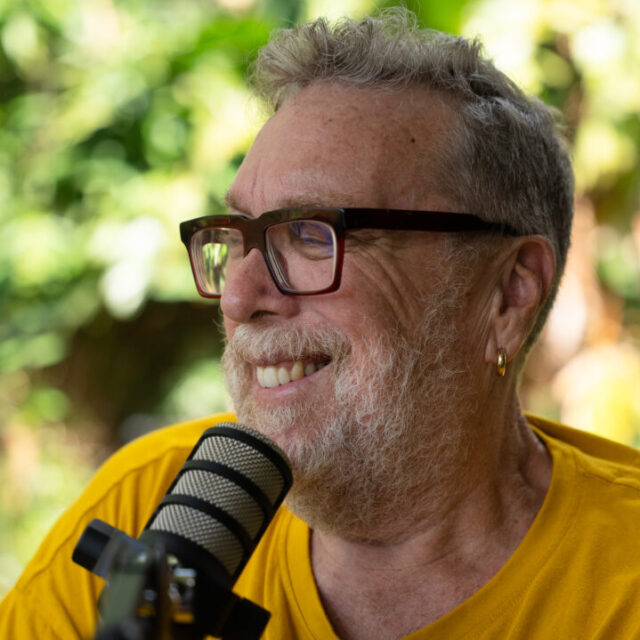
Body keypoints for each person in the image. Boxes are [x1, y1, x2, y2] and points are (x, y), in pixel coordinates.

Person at [3, 8, 640, 639]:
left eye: (310, 235)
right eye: (237, 237)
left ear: (508, 293)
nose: (238, 297)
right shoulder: (150, 506)